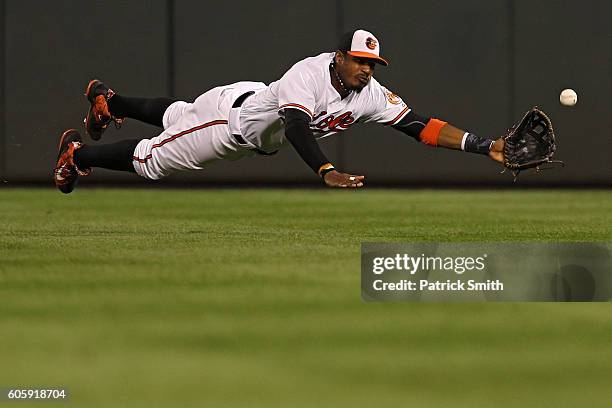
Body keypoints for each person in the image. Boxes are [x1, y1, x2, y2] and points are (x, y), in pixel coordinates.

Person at [53, 29, 504, 194]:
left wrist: (485, 147)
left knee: (177, 114)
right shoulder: (308, 74)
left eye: (372, 64)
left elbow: (418, 125)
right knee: (153, 160)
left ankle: (110, 101)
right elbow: (295, 125)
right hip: (231, 126)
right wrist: (325, 168)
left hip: (245, 100)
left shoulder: (369, 92)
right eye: (359, 61)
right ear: (339, 57)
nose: (366, 70)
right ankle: (77, 154)